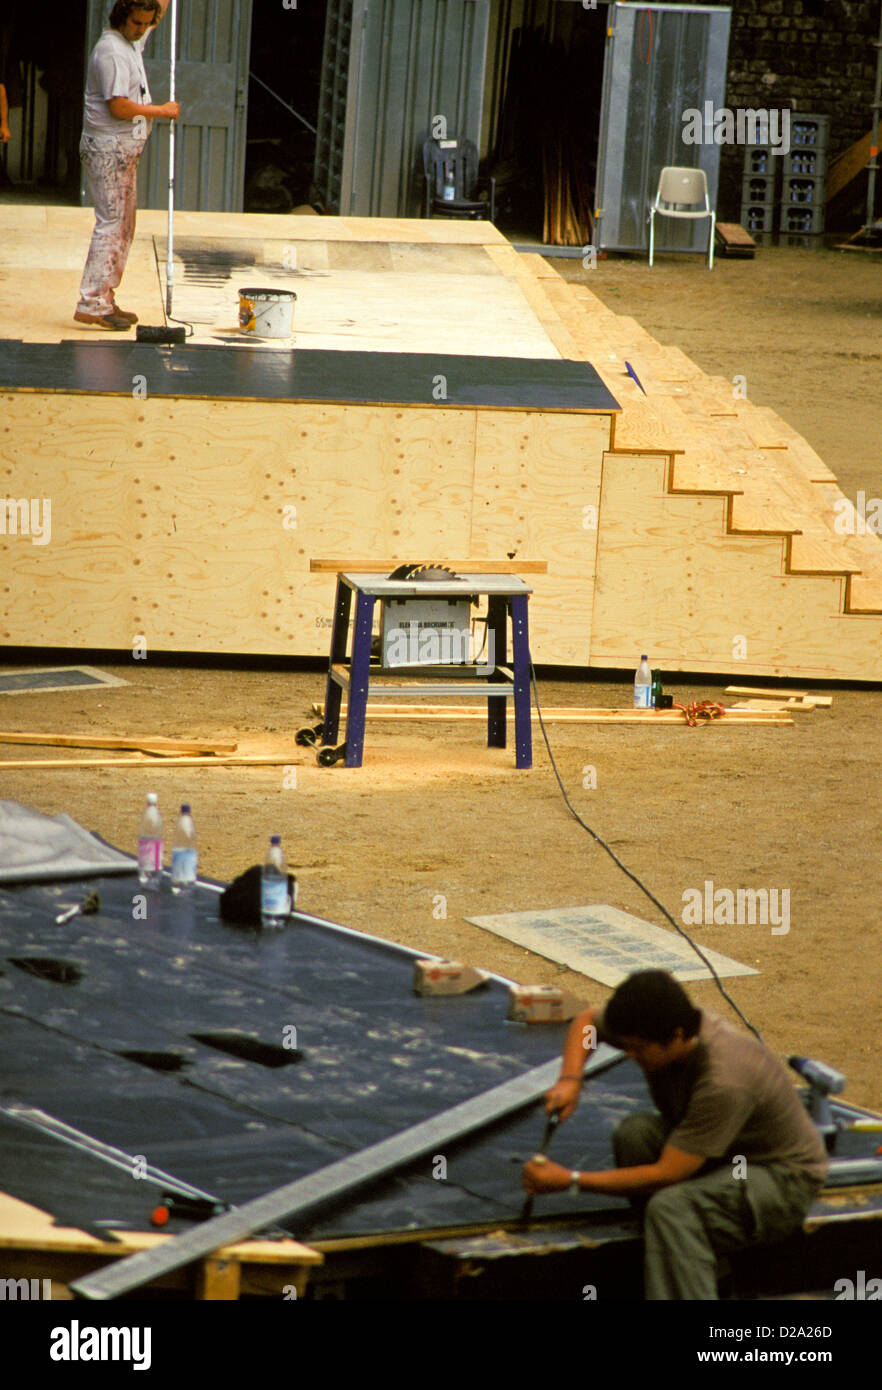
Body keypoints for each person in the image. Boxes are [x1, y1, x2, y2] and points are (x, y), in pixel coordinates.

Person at [522, 969, 829, 1299]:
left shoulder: (724, 1079)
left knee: (672, 1210)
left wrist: (571, 1180)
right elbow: (587, 1023)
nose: (629, 1055)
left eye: (638, 1048)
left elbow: (667, 1174)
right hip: (722, 1152)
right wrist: (571, 1079)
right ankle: (699, 1268)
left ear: (677, 1036)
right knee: (635, 1135)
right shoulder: (654, 1027)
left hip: (780, 1179)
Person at [75, 0, 180, 331]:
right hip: (108, 150)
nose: (142, 29)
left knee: (123, 226)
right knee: (111, 224)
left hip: (121, 152)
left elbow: (155, 13)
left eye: (147, 24)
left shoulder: (130, 39)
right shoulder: (113, 53)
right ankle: (92, 302)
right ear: (122, 18)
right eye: (137, 23)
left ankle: (104, 297)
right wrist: (161, 111)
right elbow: (119, 107)